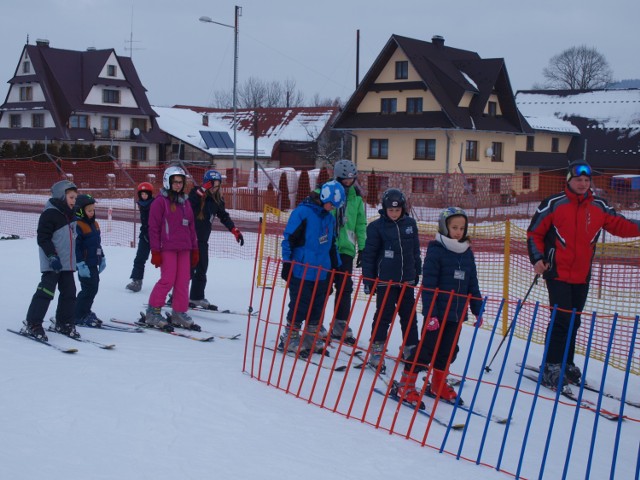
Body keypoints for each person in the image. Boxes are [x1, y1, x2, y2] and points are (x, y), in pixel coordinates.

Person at [527, 159, 640, 388]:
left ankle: (566, 363)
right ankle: (551, 365)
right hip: (556, 272)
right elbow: (534, 234)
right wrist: (538, 259)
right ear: (569, 180)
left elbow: (620, 225)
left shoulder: (599, 206)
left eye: (587, 180)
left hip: (582, 274)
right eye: (578, 179)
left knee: (574, 321)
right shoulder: (553, 203)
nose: (583, 183)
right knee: (561, 319)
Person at [361, 188, 422, 406]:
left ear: (402, 209)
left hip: (406, 280)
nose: (394, 213)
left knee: (409, 315)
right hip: (386, 280)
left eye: (397, 210)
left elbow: (415, 250)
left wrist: (417, 271)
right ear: (385, 210)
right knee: (384, 314)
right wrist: (369, 280)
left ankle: (410, 348)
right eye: (390, 210)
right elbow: (369, 255)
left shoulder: (410, 225)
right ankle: (377, 348)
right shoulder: (376, 227)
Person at [417, 207, 483, 405]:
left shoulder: (466, 253)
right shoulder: (436, 251)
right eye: (454, 227)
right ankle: (407, 382)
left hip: (456, 314)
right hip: (436, 315)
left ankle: (438, 383)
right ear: (444, 227)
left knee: (449, 350)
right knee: (426, 350)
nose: (458, 232)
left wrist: (477, 309)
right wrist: (431, 314)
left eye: (462, 228)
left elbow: (473, 283)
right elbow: (428, 286)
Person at [279, 180, 345, 357]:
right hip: (302, 269)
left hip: (322, 271)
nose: (333, 208)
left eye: (336, 206)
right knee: (300, 305)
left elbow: (332, 245)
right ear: (324, 197)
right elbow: (289, 239)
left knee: (317, 306)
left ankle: (311, 338)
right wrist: (287, 263)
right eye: (332, 204)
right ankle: (290, 337)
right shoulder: (303, 213)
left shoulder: (329, 218)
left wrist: (337, 267)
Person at [20, 179, 80, 340]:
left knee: (69, 293)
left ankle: (64, 322)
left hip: (67, 264)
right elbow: (43, 238)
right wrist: (52, 256)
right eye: (71, 197)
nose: (74, 201)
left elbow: (72, 239)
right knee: (46, 292)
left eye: (75, 198)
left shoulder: (71, 215)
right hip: (52, 263)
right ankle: (33, 323)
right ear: (61, 196)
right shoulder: (50, 214)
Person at [145, 166, 199, 331]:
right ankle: (153, 311)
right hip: (167, 248)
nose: (178, 185)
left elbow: (191, 226)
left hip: (184, 248)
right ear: (168, 182)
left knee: (183, 281)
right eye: (175, 182)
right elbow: (153, 228)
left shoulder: (185, 203)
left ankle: (179, 312)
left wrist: (195, 248)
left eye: (180, 182)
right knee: (167, 279)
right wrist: (155, 251)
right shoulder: (160, 202)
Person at [188, 169, 244, 309]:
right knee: (187, 270)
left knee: (202, 268)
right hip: (188, 240)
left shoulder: (217, 200)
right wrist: (200, 191)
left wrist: (234, 230)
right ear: (206, 183)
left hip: (202, 241)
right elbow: (188, 206)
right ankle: (176, 296)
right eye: (212, 184)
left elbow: (224, 216)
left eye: (217, 185)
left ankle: (196, 297)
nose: (214, 188)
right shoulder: (195, 193)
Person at [326, 159, 367, 344]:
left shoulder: (356, 198)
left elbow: (360, 224)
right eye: (345, 179)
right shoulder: (328, 192)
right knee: (323, 287)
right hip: (327, 248)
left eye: (351, 179)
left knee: (345, 288)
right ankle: (315, 323)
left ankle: (340, 324)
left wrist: (363, 249)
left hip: (346, 250)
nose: (348, 182)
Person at [72, 194, 106, 328]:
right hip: (85, 264)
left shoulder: (95, 224)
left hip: (93, 262)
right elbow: (76, 247)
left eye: (93, 210)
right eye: (89, 210)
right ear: (80, 211)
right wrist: (80, 264)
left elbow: (97, 243)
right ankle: (78, 314)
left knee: (93, 288)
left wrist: (102, 257)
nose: (92, 213)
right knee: (88, 289)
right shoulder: (78, 225)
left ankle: (84, 311)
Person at [126, 182, 154, 292]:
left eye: (146, 194)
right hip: (144, 235)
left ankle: (168, 281)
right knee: (139, 258)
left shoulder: (155, 203)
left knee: (164, 260)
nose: (144, 196)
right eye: (142, 194)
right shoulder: (141, 204)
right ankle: (137, 281)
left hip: (156, 236)